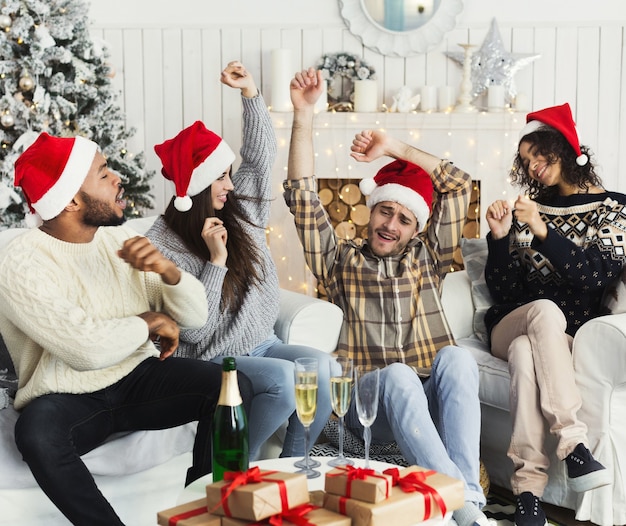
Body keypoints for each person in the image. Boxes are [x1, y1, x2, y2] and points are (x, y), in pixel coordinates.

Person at [0, 131, 254, 526]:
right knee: (36, 434)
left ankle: (203, 512)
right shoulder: (19, 260)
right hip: (67, 394)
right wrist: (147, 322)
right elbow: (84, 348)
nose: (117, 178)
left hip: (137, 378)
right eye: (103, 173)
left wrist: (168, 273)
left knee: (230, 388)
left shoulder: (122, 241)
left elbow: (195, 318)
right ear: (70, 200)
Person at [284, 67, 489, 526]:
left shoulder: (428, 256)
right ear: (370, 209)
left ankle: (466, 500)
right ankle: (458, 502)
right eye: (385, 210)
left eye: (403, 218)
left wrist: (394, 147)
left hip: (426, 396)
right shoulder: (340, 260)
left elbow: (456, 184)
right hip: (369, 405)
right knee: (397, 375)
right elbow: (301, 197)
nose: (390, 225)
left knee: (458, 360)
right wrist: (304, 115)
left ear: (416, 228)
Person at [146, 61, 339, 461]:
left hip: (263, 343)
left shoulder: (240, 210)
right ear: (197, 186)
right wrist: (215, 263)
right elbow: (197, 333)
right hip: (211, 357)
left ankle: (292, 467)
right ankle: (231, 471)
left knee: (325, 370)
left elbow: (260, 155)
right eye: (220, 178)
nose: (231, 185)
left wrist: (251, 93)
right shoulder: (163, 245)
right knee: (285, 382)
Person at [483, 102, 622, 526]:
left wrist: (544, 231)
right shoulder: (530, 209)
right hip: (510, 322)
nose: (535, 166)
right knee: (539, 312)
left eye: (539, 153)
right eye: (526, 161)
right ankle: (574, 445)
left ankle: (528, 497)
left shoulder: (614, 211)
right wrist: (500, 239)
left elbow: (594, 276)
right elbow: (505, 291)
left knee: (528, 355)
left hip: (561, 340)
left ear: (563, 147)